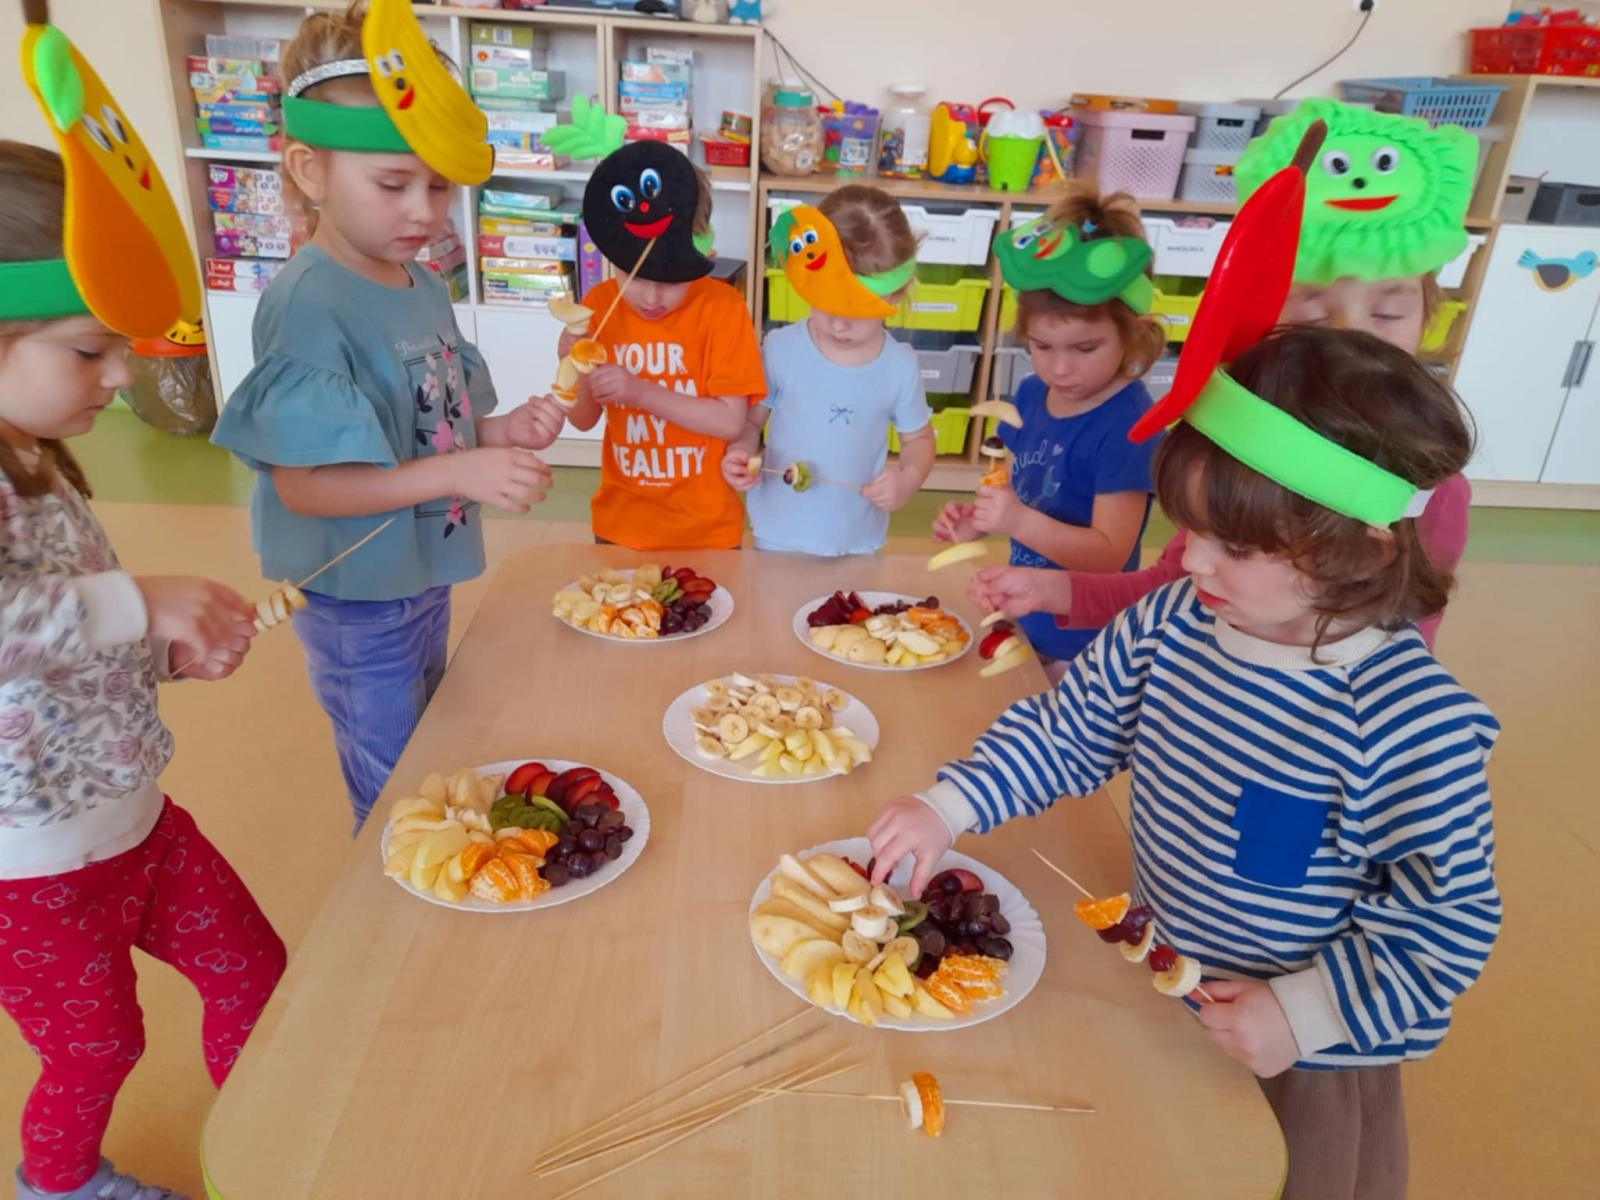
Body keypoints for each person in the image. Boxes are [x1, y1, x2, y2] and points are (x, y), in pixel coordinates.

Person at [0, 134, 286, 1200]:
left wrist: (165, 651)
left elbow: (62, 649)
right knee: (97, 1049)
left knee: (256, 976)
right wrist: (140, 602)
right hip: (31, 877)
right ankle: (59, 1185)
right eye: (90, 350)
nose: (123, 376)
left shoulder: (37, 459)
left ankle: (274, 1147)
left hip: (140, 824)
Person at [212, 1, 558, 830]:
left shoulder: (424, 282)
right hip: (356, 598)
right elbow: (308, 487)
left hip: (421, 572)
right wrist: (460, 470)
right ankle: (393, 892)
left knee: (428, 744)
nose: (423, 213)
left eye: (439, 185)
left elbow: (429, 425)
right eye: (393, 184)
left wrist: (498, 434)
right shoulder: (308, 303)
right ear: (309, 170)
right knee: (394, 785)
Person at [972, 100, 1476, 653]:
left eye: (1387, 313)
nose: (1350, 336)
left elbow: (1409, 643)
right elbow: (1169, 589)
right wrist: (1054, 589)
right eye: (1311, 316)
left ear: (1428, 317)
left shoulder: (1429, 490)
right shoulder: (1230, 448)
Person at [931, 182, 1165, 666]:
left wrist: (1017, 520)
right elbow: (1022, 485)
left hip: (1084, 644)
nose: (1059, 369)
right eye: (1041, 346)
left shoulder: (1130, 426)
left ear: (1133, 334)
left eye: (1085, 348)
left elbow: (1109, 555)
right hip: (1024, 616)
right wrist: (979, 520)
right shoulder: (1031, 395)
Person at [545, 141, 765, 551]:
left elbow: (729, 422)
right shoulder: (598, 307)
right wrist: (568, 360)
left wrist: (641, 393)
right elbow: (584, 420)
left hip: (707, 531)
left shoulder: (723, 308)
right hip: (621, 526)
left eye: (669, 280)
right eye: (634, 276)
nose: (650, 297)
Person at [721, 187, 933, 554]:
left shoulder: (900, 367)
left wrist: (908, 479)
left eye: (857, 311)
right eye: (825, 304)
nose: (838, 324)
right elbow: (752, 422)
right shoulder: (779, 348)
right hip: (778, 531)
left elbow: (919, 441)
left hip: (858, 538)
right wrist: (740, 452)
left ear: (896, 294)